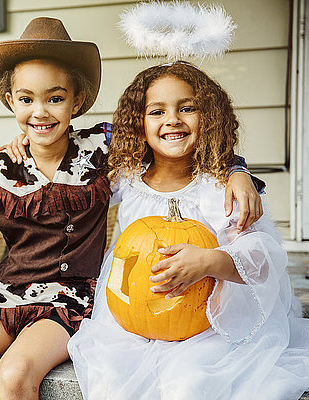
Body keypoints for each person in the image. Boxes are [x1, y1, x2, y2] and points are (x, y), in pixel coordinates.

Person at [0, 18, 262, 400]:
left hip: (73, 300)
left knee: (15, 374)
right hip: (6, 296)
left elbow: (176, 144)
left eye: (54, 98)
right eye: (26, 99)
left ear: (76, 100)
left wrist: (236, 170)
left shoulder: (107, 148)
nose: (40, 112)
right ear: (11, 101)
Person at [62, 61, 309, 400]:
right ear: (139, 123)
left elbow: (261, 262)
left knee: (189, 385)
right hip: (130, 324)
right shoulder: (127, 178)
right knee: (109, 381)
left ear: (208, 118)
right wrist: (27, 142)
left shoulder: (219, 188)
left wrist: (209, 261)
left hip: (208, 325)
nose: (172, 119)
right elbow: (65, 160)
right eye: (156, 111)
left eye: (187, 108)